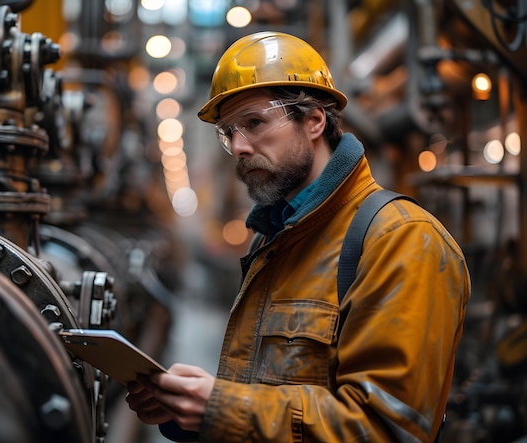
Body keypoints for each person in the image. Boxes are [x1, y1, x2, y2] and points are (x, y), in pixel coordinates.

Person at [126, 31, 471, 443]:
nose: (237, 146)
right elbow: (264, 397)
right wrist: (190, 411)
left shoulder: (401, 241)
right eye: (228, 132)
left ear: (314, 120)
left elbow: (384, 429)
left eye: (254, 123)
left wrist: (220, 406)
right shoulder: (275, 239)